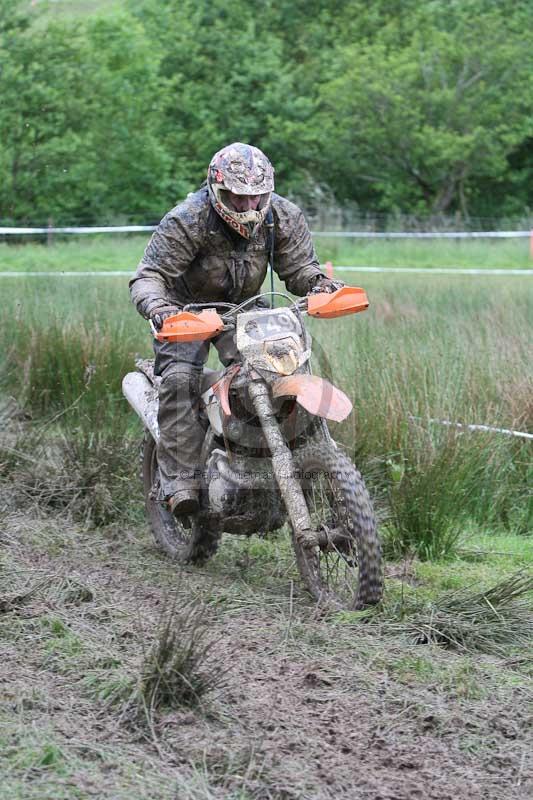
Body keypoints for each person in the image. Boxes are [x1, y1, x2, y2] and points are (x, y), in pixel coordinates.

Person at [129, 142, 343, 516]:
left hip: (244, 307)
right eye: (237, 198)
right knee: (179, 378)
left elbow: (300, 268)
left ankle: (278, 458)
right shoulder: (188, 219)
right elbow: (149, 276)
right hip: (185, 312)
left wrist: (318, 284)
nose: (248, 207)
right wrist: (159, 307)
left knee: (282, 365)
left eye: (256, 197)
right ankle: (181, 482)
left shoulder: (281, 216)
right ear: (217, 189)